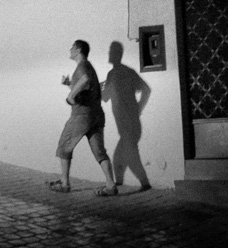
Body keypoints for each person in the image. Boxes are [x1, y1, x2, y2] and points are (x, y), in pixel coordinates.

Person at [48, 40, 117, 196]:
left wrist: (70, 96)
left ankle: (65, 183)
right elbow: (87, 87)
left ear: (78, 50)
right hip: (96, 114)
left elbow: (85, 79)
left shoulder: (82, 67)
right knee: (99, 152)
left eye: (72, 48)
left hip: (82, 115)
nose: (70, 50)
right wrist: (70, 84)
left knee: (64, 146)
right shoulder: (89, 66)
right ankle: (110, 186)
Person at [102, 41, 151, 191]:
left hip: (128, 125)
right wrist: (138, 108)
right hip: (130, 124)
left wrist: (139, 108)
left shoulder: (115, 74)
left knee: (130, 157)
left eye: (111, 51)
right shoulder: (125, 72)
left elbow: (104, 96)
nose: (109, 54)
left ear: (117, 54)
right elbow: (146, 90)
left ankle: (143, 184)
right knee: (121, 157)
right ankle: (120, 184)